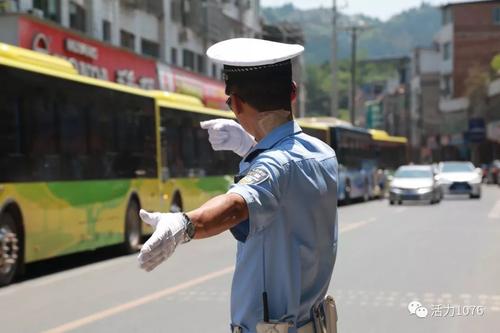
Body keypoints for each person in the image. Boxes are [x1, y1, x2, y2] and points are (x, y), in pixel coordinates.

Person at [137, 38, 338, 333]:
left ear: (238, 103)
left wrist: (184, 223)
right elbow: (286, 184)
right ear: (293, 92)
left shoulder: (275, 166)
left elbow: (237, 204)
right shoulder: (322, 154)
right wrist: (251, 147)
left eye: (229, 102)